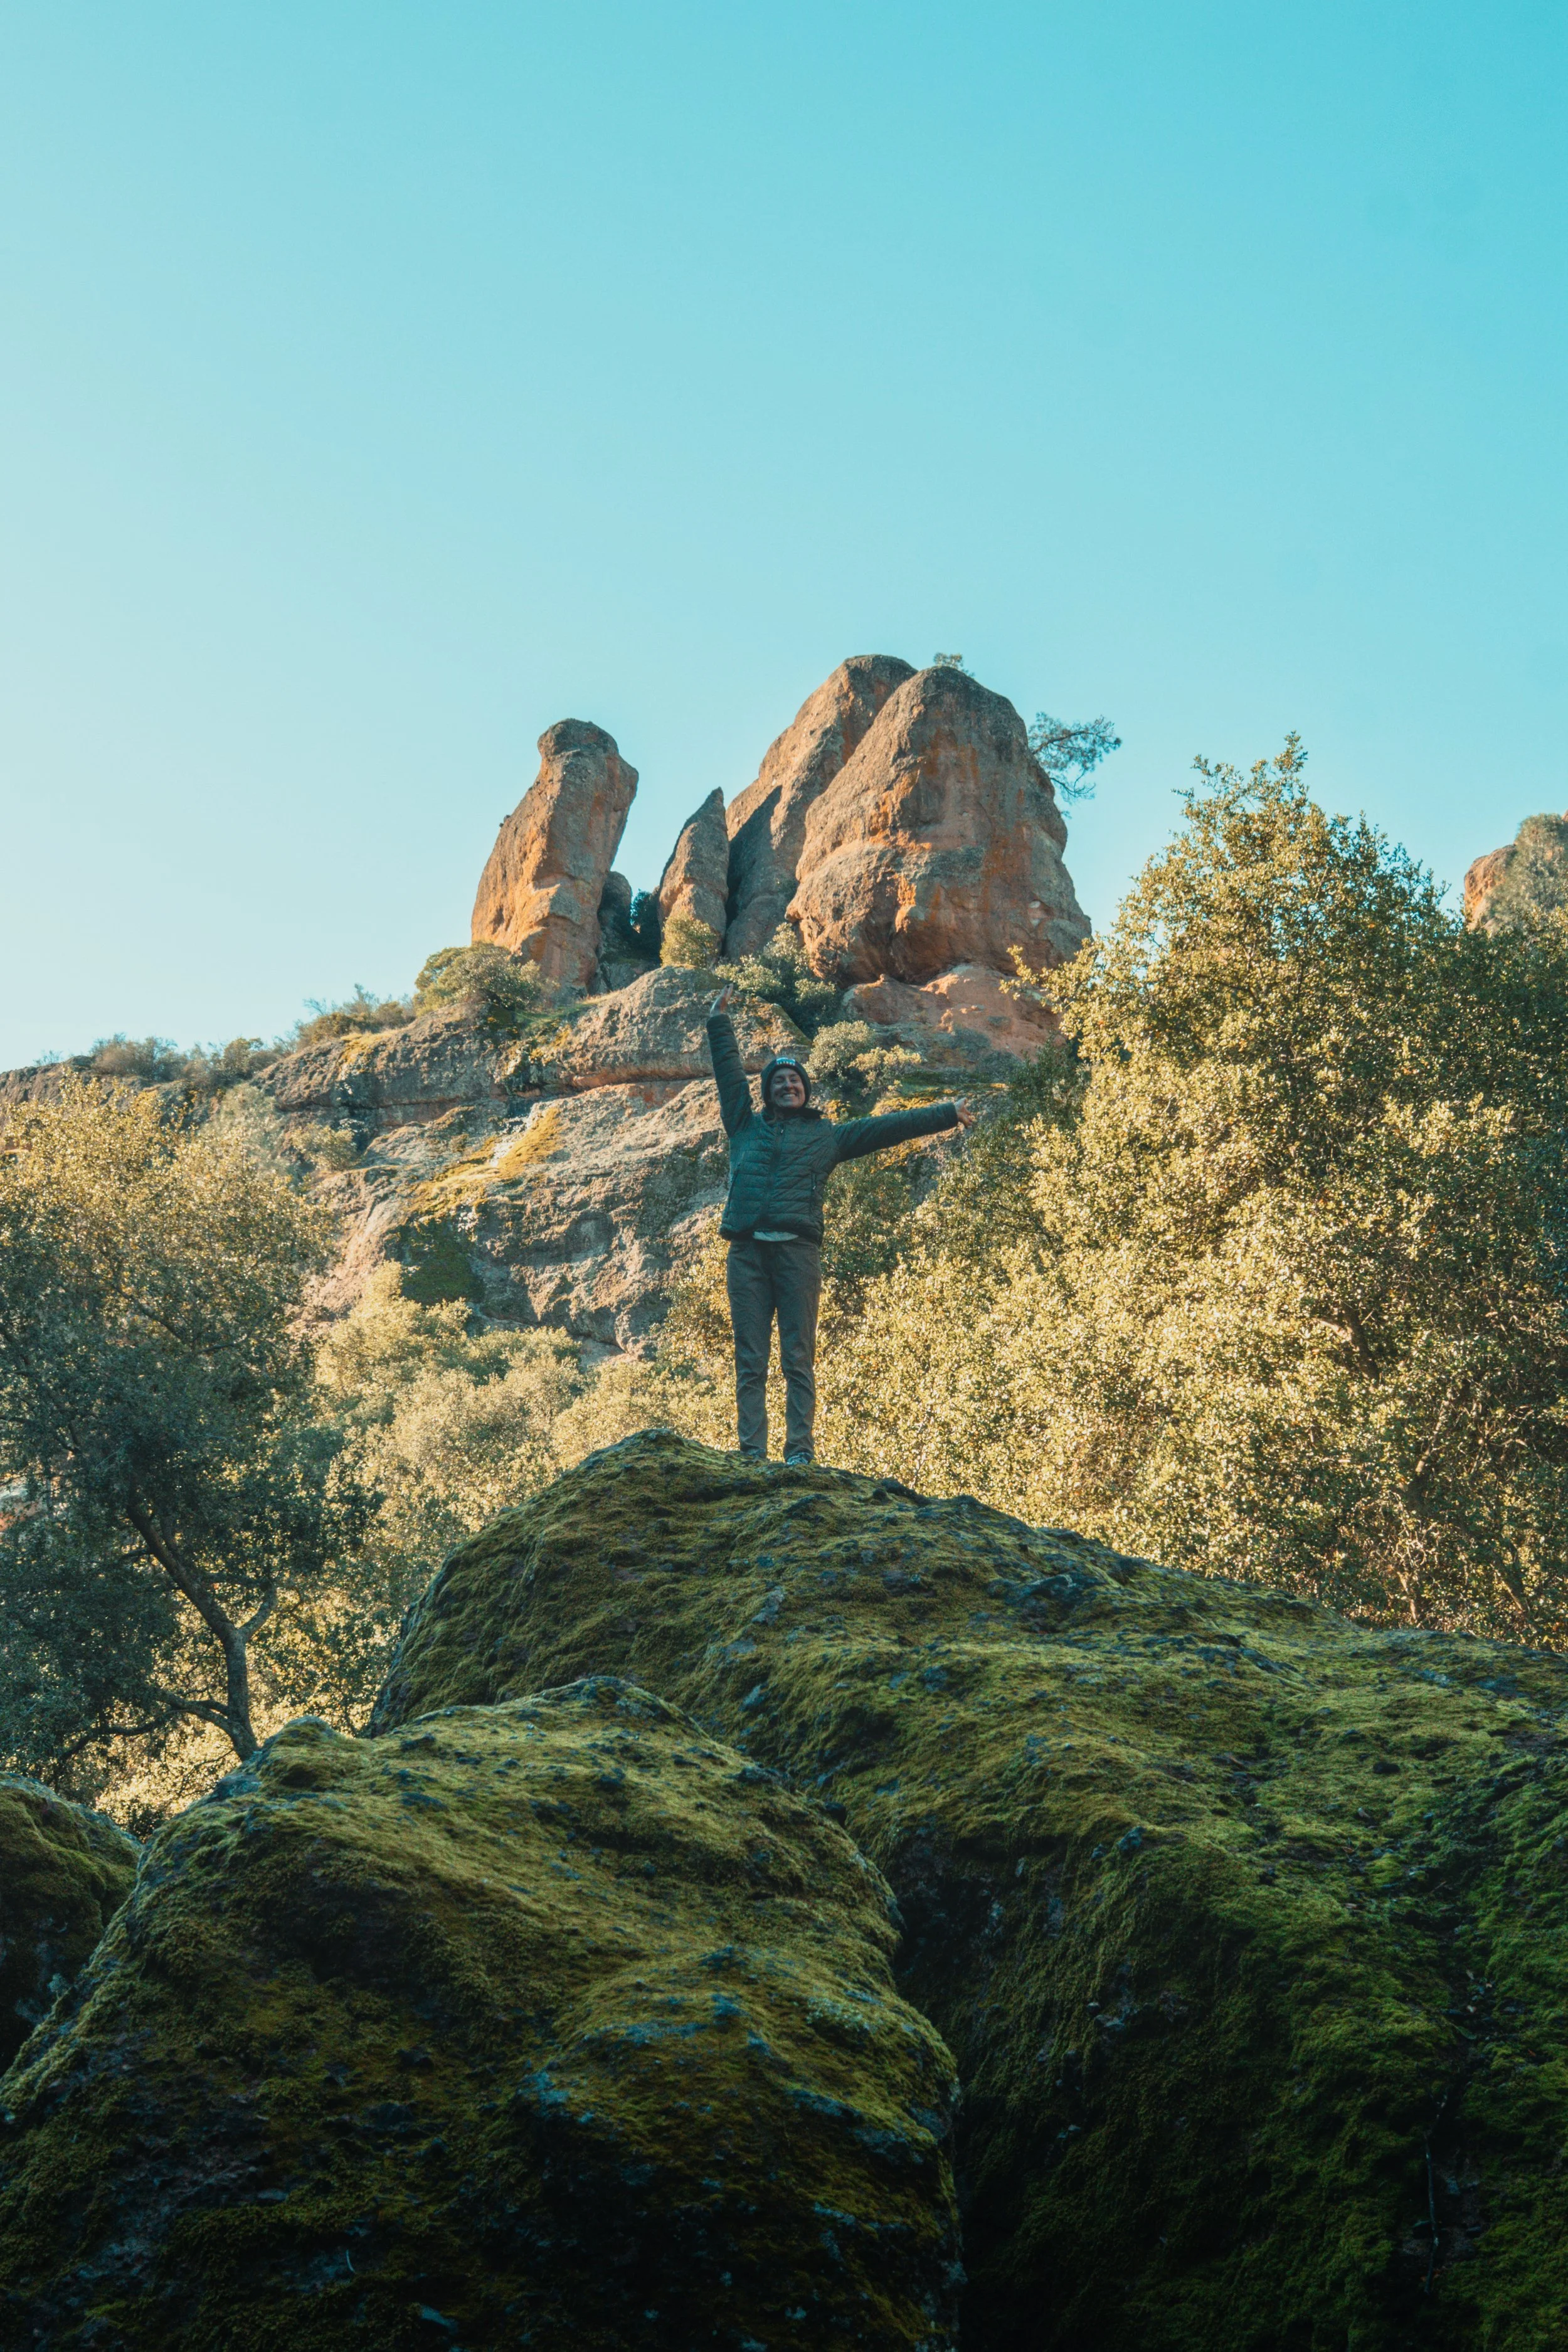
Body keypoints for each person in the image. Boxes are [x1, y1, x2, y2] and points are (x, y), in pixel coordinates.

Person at [706, 984, 976, 1466]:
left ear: (805, 1091)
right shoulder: (744, 1127)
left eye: (795, 1081)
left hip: (797, 1256)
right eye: (779, 1081)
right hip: (746, 1253)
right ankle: (751, 1455)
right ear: (767, 1092)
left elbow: (888, 1128)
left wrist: (946, 1114)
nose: (788, 1085)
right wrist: (718, 1023)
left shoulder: (827, 1138)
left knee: (797, 1359)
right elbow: (729, 1077)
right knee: (750, 1361)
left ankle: (799, 1454)